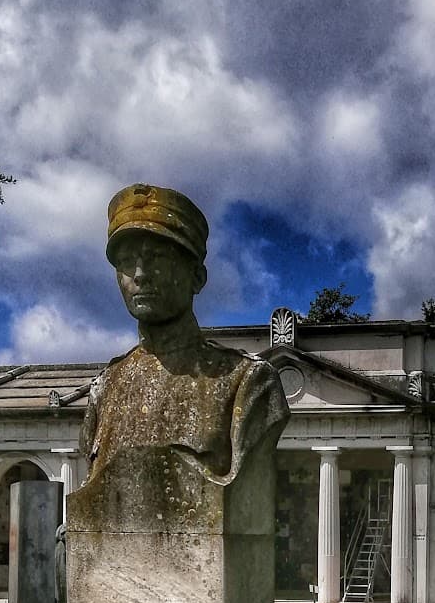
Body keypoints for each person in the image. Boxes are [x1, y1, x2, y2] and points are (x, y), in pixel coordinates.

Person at [77, 184, 287, 505]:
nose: (140, 274)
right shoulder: (105, 388)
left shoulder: (248, 383)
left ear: (197, 278)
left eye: (158, 257)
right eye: (126, 261)